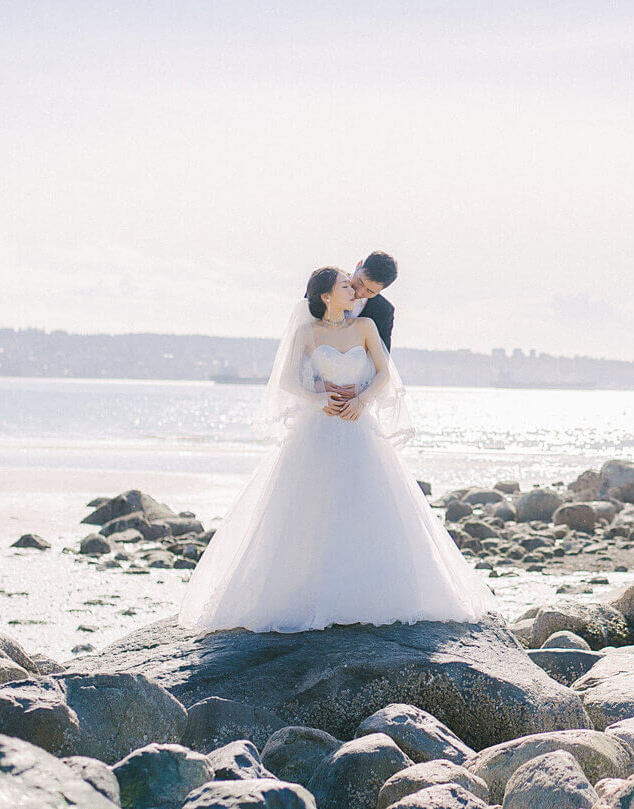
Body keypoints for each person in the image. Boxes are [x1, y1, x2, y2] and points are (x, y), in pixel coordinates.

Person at [177, 266, 496, 632]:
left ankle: (367, 592)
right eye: (348, 286)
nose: (357, 293)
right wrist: (318, 399)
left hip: (357, 422)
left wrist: (360, 401)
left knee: (365, 502)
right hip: (318, 425)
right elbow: (286, 380)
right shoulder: (306, 332)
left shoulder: (366, 326)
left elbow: (384, 372)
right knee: (307, 505)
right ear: (327, 296)